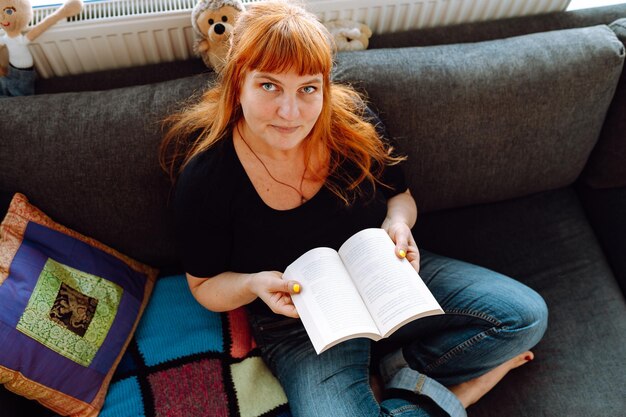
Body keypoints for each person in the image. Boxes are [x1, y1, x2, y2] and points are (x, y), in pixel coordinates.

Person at [159, 1, 548, 416]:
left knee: (524, 318)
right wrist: (253, 284)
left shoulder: (351, 124)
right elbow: (204, 287)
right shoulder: (206, 178)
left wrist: (398, 224)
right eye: (269, 86)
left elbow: (401, 196)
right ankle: (457, 397)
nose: (290, 113)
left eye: (308, 88)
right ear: (238, 83)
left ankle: (399, 371)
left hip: (384, 280)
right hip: (301, 323)